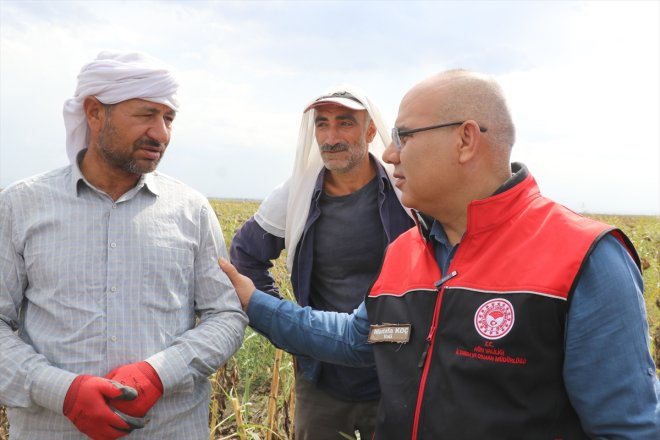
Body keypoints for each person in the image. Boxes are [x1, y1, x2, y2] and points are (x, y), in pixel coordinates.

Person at [221, 69, 660, 439]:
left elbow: (625, 429)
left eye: (404, 136)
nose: (390, 154)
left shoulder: (585, 258)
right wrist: (256, 304)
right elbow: (355, 339)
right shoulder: (404, 252)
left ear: (466, 140)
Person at [0, 50, 248, 439]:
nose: (161, 133)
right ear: (95, 113)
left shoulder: (192, 209)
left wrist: (159, 374)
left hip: (169, 428)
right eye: (146, 114)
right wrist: (62, 392)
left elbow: (226, 316)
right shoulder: (20, 205)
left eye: (169, 118)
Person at [229, 85, 413, 439]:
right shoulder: (296, 195)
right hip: (323, 379)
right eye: (322, 124)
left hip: (397, 376)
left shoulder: (405, 193)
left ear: (371, 130)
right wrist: (293, 327)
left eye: (345, 124)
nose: (331, 138)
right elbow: (246, 258)